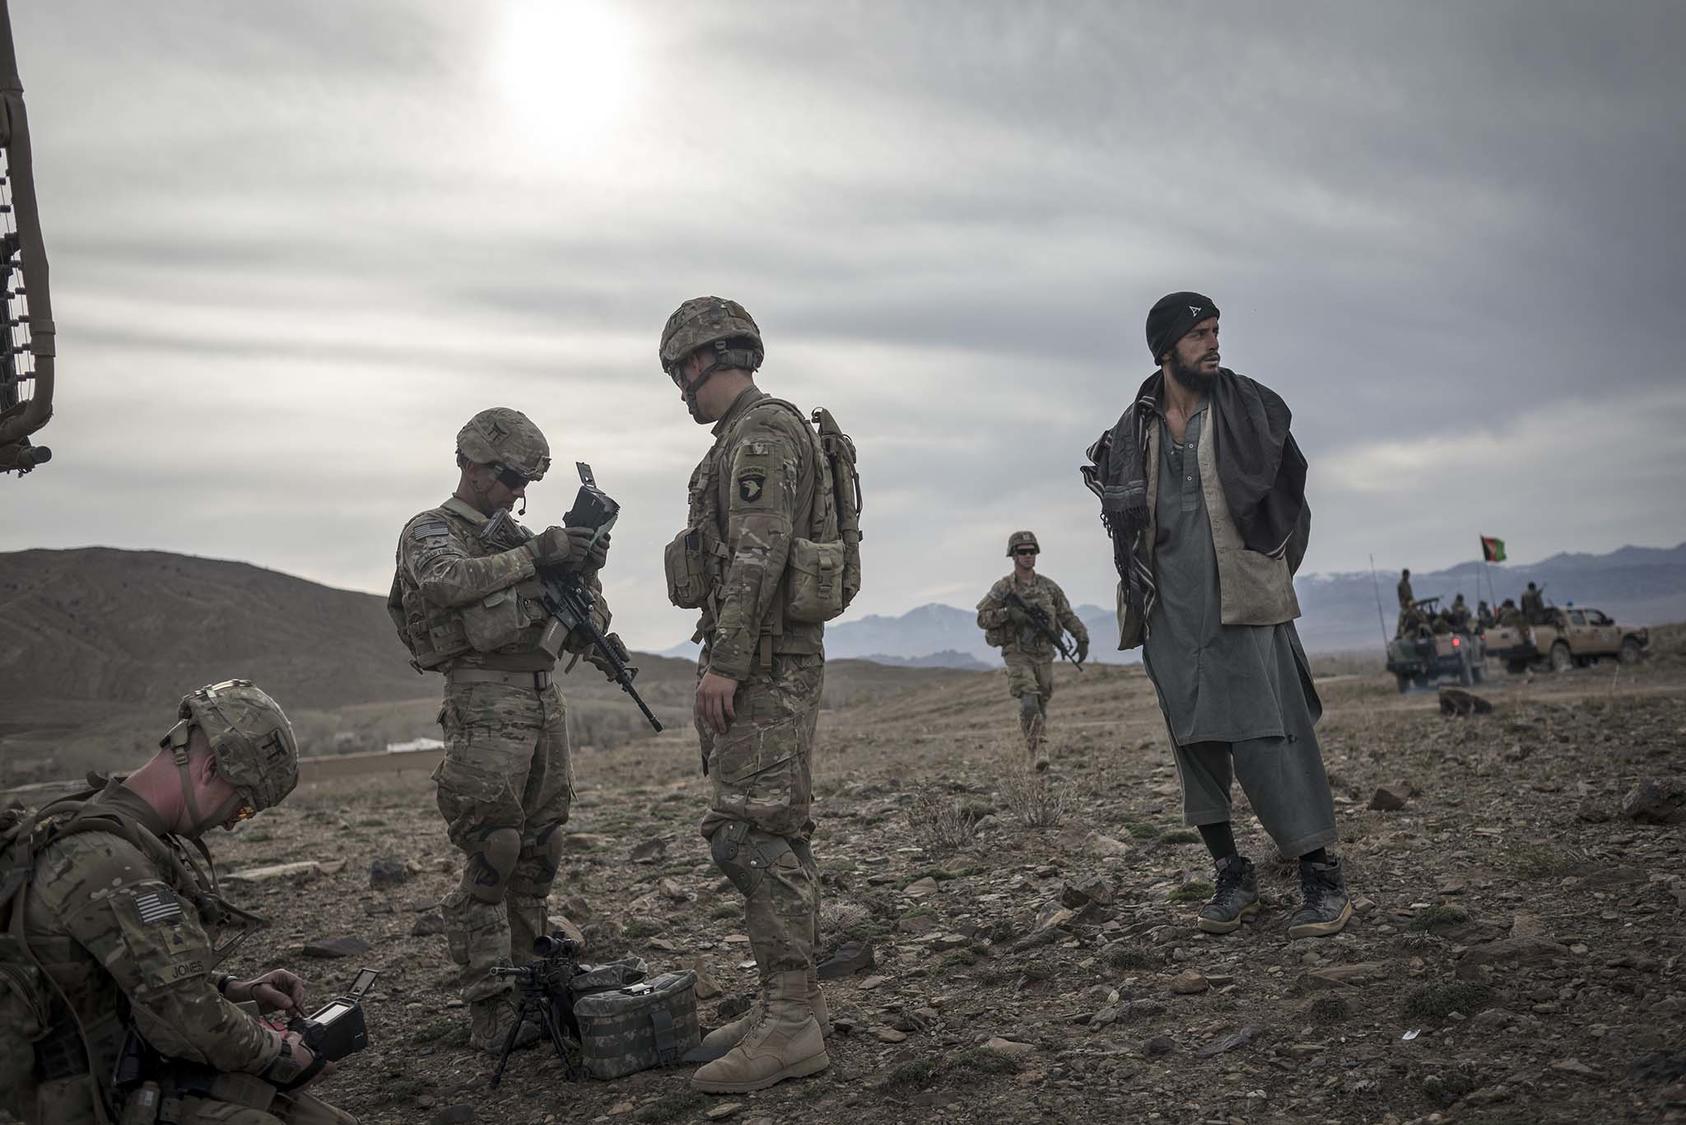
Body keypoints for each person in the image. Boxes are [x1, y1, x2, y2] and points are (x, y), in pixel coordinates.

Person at [1082, 291, 1351, 939]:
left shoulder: (1247, 409)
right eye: (1199, 333)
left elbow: (1292, 505)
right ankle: (1231, 870)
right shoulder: (1132, 429)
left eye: (1215, 330)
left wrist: (1266, 574)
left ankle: (1320, 871)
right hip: (1169, 613)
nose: (1213, 343)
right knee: (1195, 742)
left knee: (1271, 736)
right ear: (1166, 348)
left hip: (1244, 604)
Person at [3, 680, 355, 1124]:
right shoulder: (111, 862)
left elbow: (124, 973)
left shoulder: (100, 823)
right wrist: (288, 1054)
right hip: (80, 1099)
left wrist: (233, 990)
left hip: (110, 1067)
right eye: (243, 807)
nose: (232, 824)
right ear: (209, 769)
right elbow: (188, 1021)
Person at [389, 407, 615, 1051]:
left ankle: (532, 987)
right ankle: (491, 1004)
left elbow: (581, 612)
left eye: (526, 482)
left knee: (543, 845)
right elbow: (445, 582)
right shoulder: (432, 531)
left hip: (544, 700)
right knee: (496, 848)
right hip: (483, 700)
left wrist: (579, 572)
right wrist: (532, 554)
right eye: (512, 477)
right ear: (472, 465)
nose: (519, 493)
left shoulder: (513, 538)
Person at [659, 296, 840, 1094]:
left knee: (751, 836)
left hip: (763, 663)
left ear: (705, 359)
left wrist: (725, 663)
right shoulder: (748, 434)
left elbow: (759, 555)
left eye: (680, 372)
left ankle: (791, 1023)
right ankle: (789, 1003)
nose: (680, 389)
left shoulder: (762, 434)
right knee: (776, 831)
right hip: (768, 656)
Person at [975, 531, 1089, 769]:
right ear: (1013, 555)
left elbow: (1066, 614)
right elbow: (982, 618)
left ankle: (1035, 749)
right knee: (1028, 701)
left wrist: (1081, 636)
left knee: (1041, 704)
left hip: (1044, 653)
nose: (1028, 556)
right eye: (1022, 552)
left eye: (1031, 551)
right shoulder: (1003, 588)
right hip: (1017, 652)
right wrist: (1008, 614)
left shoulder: (1048, 587)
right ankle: (1039, 750)